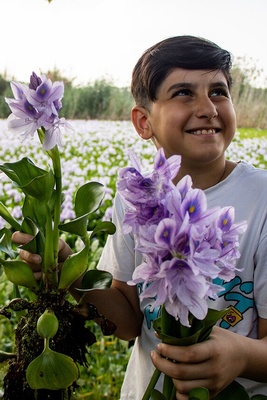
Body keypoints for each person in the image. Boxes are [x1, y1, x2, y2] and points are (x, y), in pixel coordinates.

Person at [13, 35, 267, 399]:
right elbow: (129, 321)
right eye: (183, 93)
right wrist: (69, 270)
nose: (207, 107)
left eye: (218, 92)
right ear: (143, 121)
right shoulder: (135, 196)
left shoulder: (262, 200)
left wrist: (241, 356)